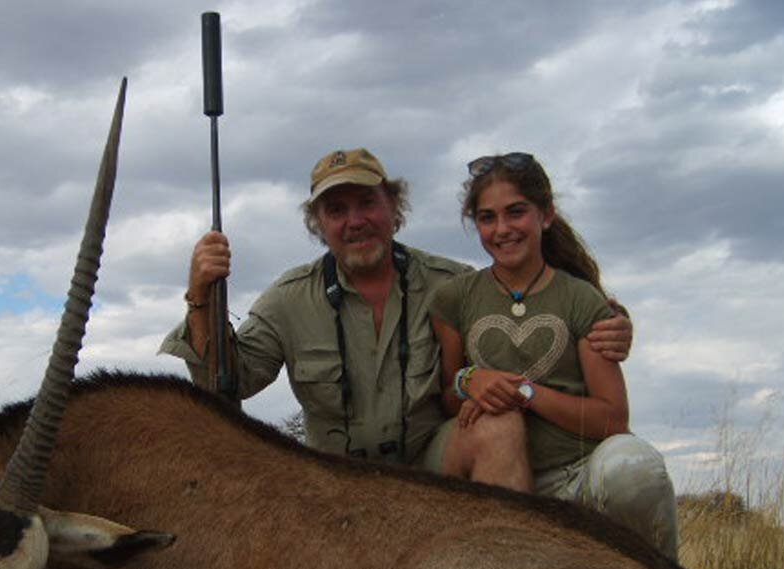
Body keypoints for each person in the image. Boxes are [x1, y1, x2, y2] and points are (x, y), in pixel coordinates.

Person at [160, 148, 633, 472]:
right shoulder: (288, 298)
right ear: (318, 224)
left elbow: (530, 302)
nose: (355, 221)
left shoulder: (453, 284)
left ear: (394, 207)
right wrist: (201, 296)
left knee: (498, 426)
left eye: (368, 202)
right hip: (334, 481)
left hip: (432, 468)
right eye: (336, 210)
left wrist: (608, 319)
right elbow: (225, 384)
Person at [431, 152, 678, 559]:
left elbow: (613, 418)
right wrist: (468, 381)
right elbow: (445, 396)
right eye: (487, 218)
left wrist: (525, 392)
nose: (502, 229)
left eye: (516, 212)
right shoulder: (455, 297)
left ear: (546, 216)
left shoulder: (582, 298)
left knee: (637, 472)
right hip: (492, 472)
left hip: (577, 473)